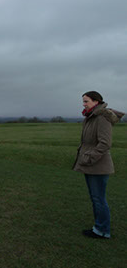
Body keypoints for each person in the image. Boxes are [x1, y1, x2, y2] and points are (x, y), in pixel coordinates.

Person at [73, 91, 124, 239]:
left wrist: (89, 158)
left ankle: (102, 230)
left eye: (86, 101)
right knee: (95, 197)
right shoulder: (91, 116)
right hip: (90, 163)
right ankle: (99, 227)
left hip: (98, 165)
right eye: (83, 101)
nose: (83, 104)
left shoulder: (102, 117)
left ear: (96, 102)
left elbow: (105, 144)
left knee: (98, 198)